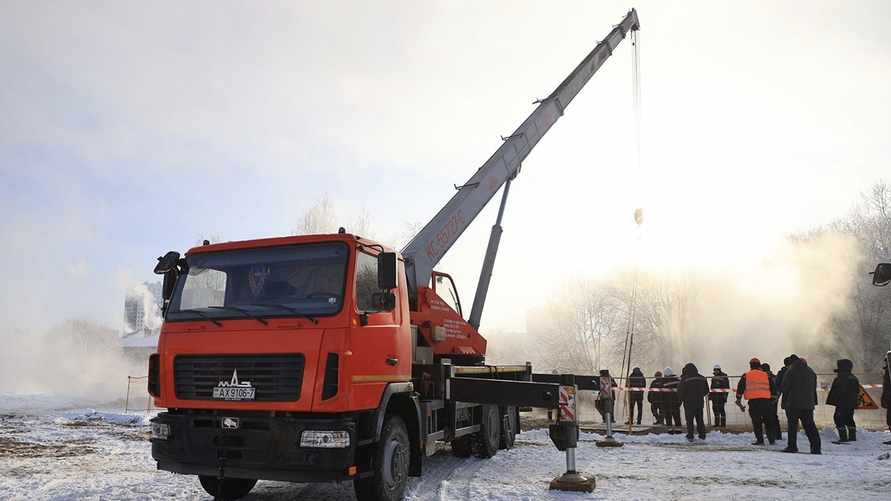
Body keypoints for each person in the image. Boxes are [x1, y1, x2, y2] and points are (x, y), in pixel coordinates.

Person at [780, 355, 821, 454]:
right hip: (808, 404)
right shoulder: (811, 372)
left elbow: (785, 387)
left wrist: (784, 400)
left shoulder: (791, 371)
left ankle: (792, 446)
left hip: (793, 404)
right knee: (810, 426)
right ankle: (816, 448)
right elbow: (813, 388)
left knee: (792, 426)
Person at [736, 357, 776, 445]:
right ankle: (771, 440)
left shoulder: (746, 375)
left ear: (750, 366)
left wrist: (738, 400)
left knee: (756, 422)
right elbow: (773, 389)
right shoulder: (766, 375)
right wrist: (773, 400)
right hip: (766, 402)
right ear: (759, 365)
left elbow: (740, 389)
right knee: (768, 421)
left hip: (754, 403)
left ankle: (760, 440)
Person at [826, 358, 860, 443]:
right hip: (850, 403)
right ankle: (852, 436)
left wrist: (833, 400)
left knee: (838, 418)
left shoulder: (841, 378)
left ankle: (843, 437)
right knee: (849, 418)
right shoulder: (853, 378)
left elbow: (837, 391)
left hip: (842, 403)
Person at [678, 363, 710, 441]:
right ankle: (702, 435)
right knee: (700, 419)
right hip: (699, 403)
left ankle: (690, 435)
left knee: (689, 420)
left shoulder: (684, 379)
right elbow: (706, 391)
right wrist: (700, 396)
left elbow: (681, 391)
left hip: (688, 403)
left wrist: (680, 400)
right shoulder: (702, 378)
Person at [761, 362, 782, 440]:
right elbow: (779, 389)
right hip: (774, 399)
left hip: (767, 399)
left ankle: (771, 435)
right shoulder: (775, 377)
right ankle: (777, 435)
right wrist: (776, 398)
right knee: (774, 417)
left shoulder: (765, 377)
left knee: (768, 418)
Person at [710, 364, 730, 428]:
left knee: (721, 410)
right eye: (714, 370)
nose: (715, 371)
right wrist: (710, 395)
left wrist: (725, 396)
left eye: (716, 370)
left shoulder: (724, 376)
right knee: (715, 410)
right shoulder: (714, 378)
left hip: (721, 396)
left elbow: (727, 387)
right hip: (715, 396)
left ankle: (723, 424)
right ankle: (717, 424)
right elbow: (712, 387)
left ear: (719, 370)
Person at [882, 355, 891, 445]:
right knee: (889, 419)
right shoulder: (887, 372)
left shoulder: (889, 372)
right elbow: (886, 387)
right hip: (889, 398)